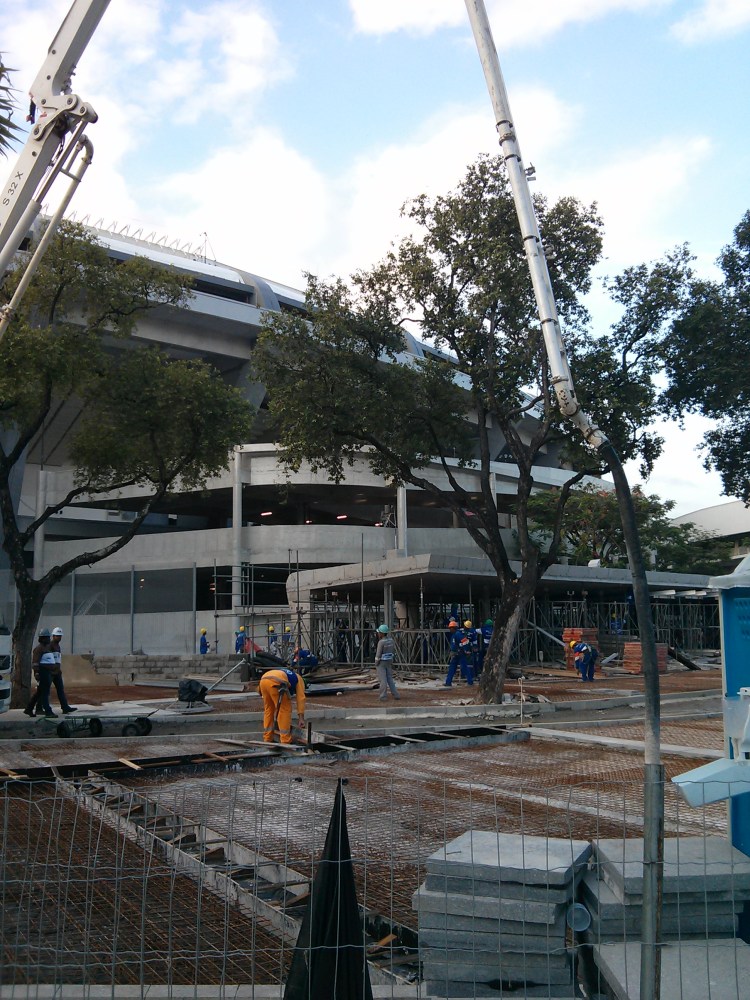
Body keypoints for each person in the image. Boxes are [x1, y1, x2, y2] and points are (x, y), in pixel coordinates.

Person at [259, 667, 306, 744]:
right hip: (277, 681)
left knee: (269, 710)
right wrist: (301, 718)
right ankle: (285, 740)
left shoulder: (288, 674)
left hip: (263, 680)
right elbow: (301, 699)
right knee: (285, 710)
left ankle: (267, 738)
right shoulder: (299, 680)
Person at [48, 626, 76, 714]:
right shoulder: (50, 645)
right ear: (53, 636)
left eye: (60, 636)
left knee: (60, 689)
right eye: (57, 636)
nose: (59, 637)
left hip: (57, 672)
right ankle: (39, 707)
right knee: (44, 691)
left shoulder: (58, 646)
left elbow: (57, 659)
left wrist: (58, 669)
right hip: (51, 672)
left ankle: (65, 707)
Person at [374, 624, 400, 701]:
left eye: (379, 632)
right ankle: (396, 695)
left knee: (383, 680)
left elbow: (378, 654)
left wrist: (376, 663)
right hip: (389, 661)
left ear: (382, 633)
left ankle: (383, 696)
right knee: (389, 679)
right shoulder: (391, 640)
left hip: (381, 662)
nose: (378, 634)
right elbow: (393, 651)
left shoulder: (381, 642)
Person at [445, 621, 473, 687]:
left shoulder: (458, 634)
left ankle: (470, 682)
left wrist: (462, 648)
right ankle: (448, 682)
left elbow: (465, 641)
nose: (450, 629)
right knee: (452, 668)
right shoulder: (454, 634)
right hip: (455, 654)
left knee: (464, 667)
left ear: (454, 628)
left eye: (451, 628)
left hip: (460, 654)